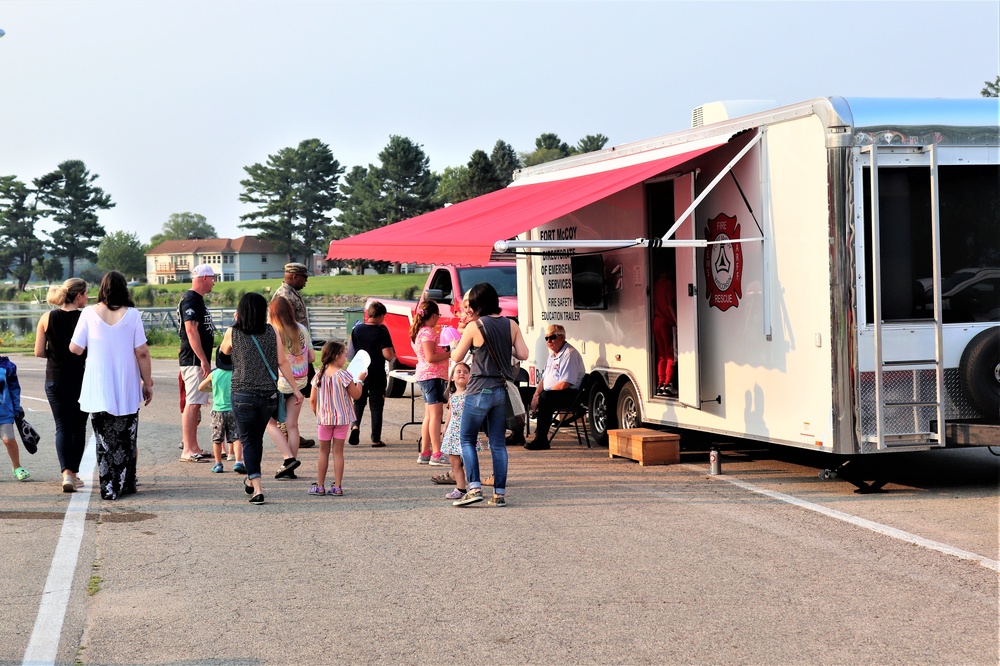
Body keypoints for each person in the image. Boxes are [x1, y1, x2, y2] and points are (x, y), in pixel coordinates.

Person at [70, 271, 153, 500]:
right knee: (127, 438)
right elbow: (142, 352)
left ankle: (108, 487)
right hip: (126, 384)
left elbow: (75, 348)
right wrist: (147, 382)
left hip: (99, 384)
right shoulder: (133, 314)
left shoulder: (88, 313)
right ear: (124, 288)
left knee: (104, 440)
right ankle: (126, 483)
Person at [218, 292, 303, 505]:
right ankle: (250, 480)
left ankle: (257, 487)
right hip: (268, 395)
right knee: (255, 439)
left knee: (248, 440)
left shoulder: (232, 332)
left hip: (242, 394)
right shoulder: (271, 331)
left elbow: (221, 356)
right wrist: (296, 389)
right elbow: (283, 362)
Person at [449, 282, 528, 507]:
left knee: (467, 438)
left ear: (479, 304)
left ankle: (473, 489)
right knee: (497, 443)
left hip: (478, 390)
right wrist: (506, 346)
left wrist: (456, 344)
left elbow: (457, 357)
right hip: (500, 391)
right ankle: (499, 494)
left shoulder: (476, 326)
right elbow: (522, 353)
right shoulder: (511, 324)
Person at [34, 277, 89, 492]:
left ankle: (66, 473)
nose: (87, 298)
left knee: (62, 426)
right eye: (86, 294)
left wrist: (56, 355)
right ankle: (74, 473)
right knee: (79, 427)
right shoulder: (86, 319)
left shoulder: (47, 317)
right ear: (78, 296)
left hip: (54, 378)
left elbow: (38, 351)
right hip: (80, 379)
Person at [308, 340, 365, 497]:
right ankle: (337, 486)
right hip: (342, 419)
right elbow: (357, 395)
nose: (346, 358)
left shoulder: (318, 375)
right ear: (337, 356)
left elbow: (312, 400)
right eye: (345, 354)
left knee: (323, 452)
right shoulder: (344, 375)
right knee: (338, 452)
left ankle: (320, 486)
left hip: (324, 419)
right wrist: (360, 380)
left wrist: (318, 415)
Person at [271, 261, 314, 447]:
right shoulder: (285, 296)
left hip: (297, 352)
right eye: (304, 278)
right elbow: (283, 326)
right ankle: (288, 433)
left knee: (296, 395)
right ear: (295, 276)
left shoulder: (291, 293)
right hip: (291, 354)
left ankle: (290, 430)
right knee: (290, 395)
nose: (306, 282)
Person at [524, 324, 587, 451]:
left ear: (562, 337)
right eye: (546, 338)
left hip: (569, 394)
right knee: (522, 392)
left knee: (546, 397)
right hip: (553, 392)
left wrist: (541, 396)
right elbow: (544, 379)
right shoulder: (552, 355)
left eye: (552, 337)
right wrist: (535, 395)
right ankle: (517, 434)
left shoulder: (569, 354)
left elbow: (564, 384)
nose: (549, 341)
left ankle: (541, 440)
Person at [177, 264, 216, 462]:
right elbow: (191, 330)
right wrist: (202, 360)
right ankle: (188, 449)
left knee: (196, 404)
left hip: (196, 359)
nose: (214, 281)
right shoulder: (191, 299)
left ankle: (194, 446)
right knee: (192, 404)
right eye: (212, 278)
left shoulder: (196, 300)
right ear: (203, 278)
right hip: (193, 360)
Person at [347, 300, 395, 447]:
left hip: (360, 371)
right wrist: (394, 357)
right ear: (380, 316)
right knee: (376, 404)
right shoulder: (382, 331)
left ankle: (355, 426)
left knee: (359, 401)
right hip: (376, 373)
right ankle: (376, 439)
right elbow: (387, 353)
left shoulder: (357, 329)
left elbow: (351, 352)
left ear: (368, 314)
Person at [411, 299, 450, 466]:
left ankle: (425, 452)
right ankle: (436, 453)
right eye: (438, 315)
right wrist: (450, 352)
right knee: (436, 416)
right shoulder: (428, 333)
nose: (438, 319)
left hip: (426, 375)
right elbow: (431, 357)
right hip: (432, 376)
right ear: (433, 315)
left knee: (429, 416)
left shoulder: (420, 331)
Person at [439, 361, 484, 500]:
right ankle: (460, 488)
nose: (462, 374)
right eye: (458, 371)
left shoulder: (470, 394)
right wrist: (445, 427)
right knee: (454, 462)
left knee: (468, 460)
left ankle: (473, 486)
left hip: (467, 431)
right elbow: (450, 413)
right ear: (452, 377)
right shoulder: (452, 396)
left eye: (465, 372)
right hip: (453, 432)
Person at [197, 345, 244, 475]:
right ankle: (238, 461)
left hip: (218, 410)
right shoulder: (236, 373)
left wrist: (213, 388)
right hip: (233, 409)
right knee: (236, 437)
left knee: (217, 438)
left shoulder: (214, 374)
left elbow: (201, 387)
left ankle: (218, 464)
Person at [0, 354, 28, 482]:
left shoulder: (7, 366)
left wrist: (16, 408)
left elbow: (14, 389)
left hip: (4, 412)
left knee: (9, 439)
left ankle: (17, 467)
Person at [653, 268, 677, 397]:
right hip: (666, 323)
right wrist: (676, 320)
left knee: (661, 356)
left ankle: (660, 383)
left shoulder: (656, 283)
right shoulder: (669, 284)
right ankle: (668, 384)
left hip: (656, 322)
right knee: (670, 355)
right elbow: (670, 305)